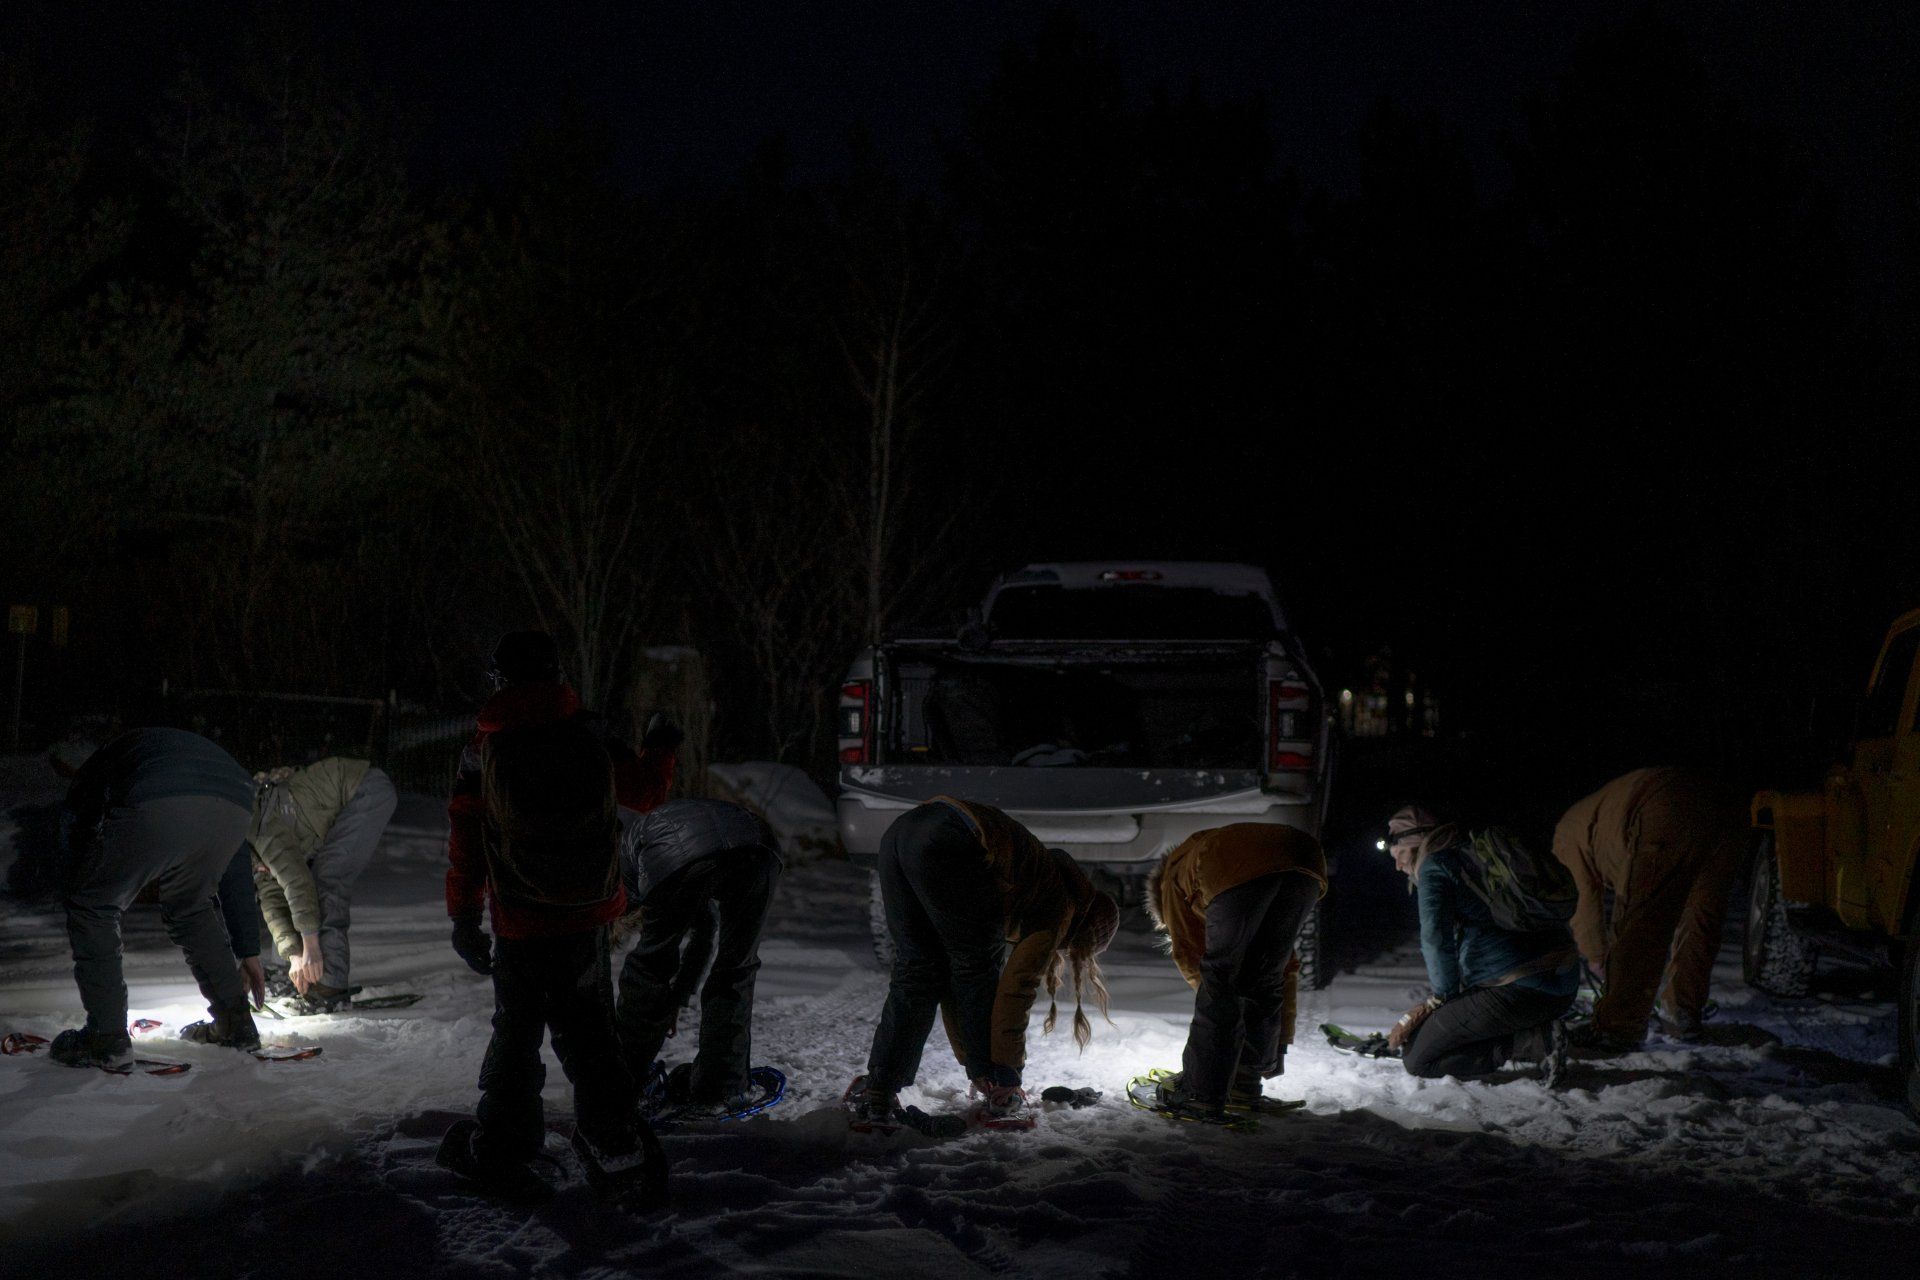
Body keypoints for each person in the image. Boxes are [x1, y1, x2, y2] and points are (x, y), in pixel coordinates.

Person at [438, 630, 680, 1203]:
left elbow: (466, 839)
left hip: (519, 920)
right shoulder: (589, 731)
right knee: (591, 1031)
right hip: (587, 916)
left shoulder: (484, 747)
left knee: (516, 1031)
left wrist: (464, 917)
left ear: (500, 679)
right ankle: (614, 1145)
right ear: (556, 672)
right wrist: (662, 745)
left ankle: (503, 1148)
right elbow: (647, 793)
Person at [855, 796, 1119, 1128]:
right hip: (953, 836)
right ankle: (996, 1086)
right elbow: (1015, 990)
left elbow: (956, 981)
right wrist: (1005, 1073)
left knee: (920, 968)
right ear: (1080, 933)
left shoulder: (1039, 878)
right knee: (976, 964)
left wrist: (976, 1064)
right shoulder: (1057, 906)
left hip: (900, 834)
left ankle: (879, 1089)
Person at [52, 728, 263, 1065]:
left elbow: (79, 826)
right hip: (237, 804)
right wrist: (248, 948)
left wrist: (81, 883)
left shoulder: (102, 762)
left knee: (93, 905)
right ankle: (237, 1025)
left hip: (160, 799)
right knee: (191, 907)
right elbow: (235, 865)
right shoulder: (164, 750)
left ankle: (107, 1039)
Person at [1551, 767, 1746, 1050]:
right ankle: (1682, 1012)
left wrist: (1596, 956)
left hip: (1665, 806)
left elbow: (1582, 897)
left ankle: (1619, 1027)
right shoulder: (1589, 815)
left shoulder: (1565, 834)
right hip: (1728, 810)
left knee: (1641, 923)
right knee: (1701, 918)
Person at [1382, 804, 1579, 1081]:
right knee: (1441, 1030)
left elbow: (1435, 938)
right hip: (1562, 985)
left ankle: (1534, 1041)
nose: (1398, 866)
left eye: (1399, 855)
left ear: (1416, 843)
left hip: (1516, 989)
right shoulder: (1474, 855)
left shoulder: (1435, 866)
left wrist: (1441, 999)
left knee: (1417, 1058)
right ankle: (1532, 1031)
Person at [1143, 822, 1326, 1119]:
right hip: (1306, 860)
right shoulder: (1195, 859)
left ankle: (1200, 1093)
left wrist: (1227, 1013)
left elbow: (1190, 957)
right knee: (1266, 972)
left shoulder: (1172, 881)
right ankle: (1244, 1083)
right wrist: (1277, 1042)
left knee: (1220, 979)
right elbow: (1284, 969)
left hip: (1234, 863)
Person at [612, 797, 782, 1114]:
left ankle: (622, 1081)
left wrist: (666, 999)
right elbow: (704, 930)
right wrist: (678, 997)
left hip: (680, 852)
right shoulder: (646, 826)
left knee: (648, 968)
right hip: (759, 845)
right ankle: (722, 1088)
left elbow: (656, 939)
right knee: (737, 968)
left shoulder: (623, 857)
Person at [249, 757, 399, 1011]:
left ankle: (330, 984)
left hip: (365, 790)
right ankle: (298, 972)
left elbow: (297, 882)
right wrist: (294, 954)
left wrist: (311, 946)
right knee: (305, 886)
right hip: (354, 795)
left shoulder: (261, 831)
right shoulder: (253, 856)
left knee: (326, 878)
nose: (259, 872)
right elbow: (273, 901)